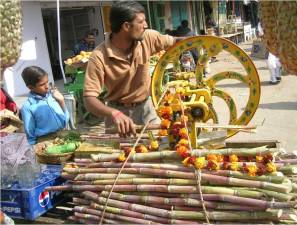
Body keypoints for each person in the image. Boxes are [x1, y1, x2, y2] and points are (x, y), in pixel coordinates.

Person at [83, 1, 182, 136]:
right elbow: (89, 99)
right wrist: (113, 113)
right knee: (122, 155)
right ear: (126, 26)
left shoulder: (148, 38)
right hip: (118, 117)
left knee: (159, 146)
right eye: (141, 22)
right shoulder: (99, 56)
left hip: (147, 109)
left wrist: (204, 41)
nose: (146, 25)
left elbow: (176, 42)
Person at [20, 66, 69, 145]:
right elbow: (30, 134)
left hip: (62, 134)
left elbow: (65, 120)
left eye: (47, 82)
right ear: (30, 87)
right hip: (45, 142)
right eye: (42, 84)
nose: (47, 86)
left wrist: (61, 101)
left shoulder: (53, 96)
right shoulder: (28, 107)